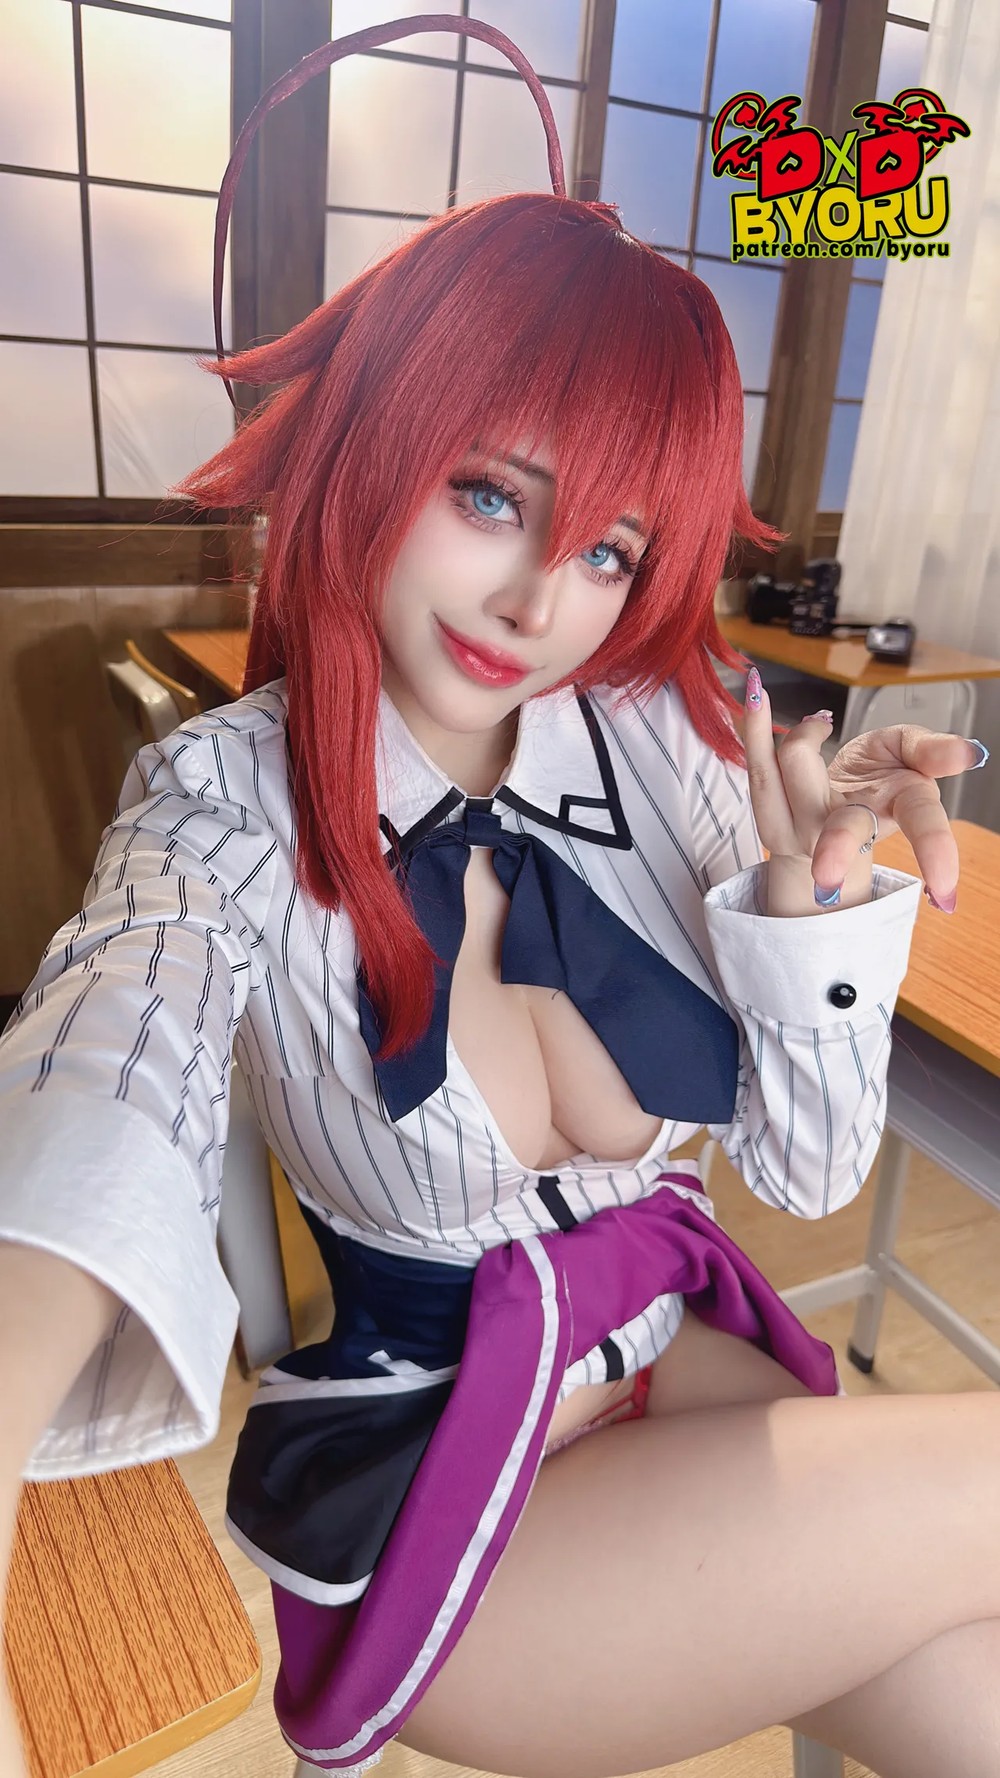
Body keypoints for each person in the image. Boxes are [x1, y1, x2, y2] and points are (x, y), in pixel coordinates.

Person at [1, 17, 997, 1778]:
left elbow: (805, 1175)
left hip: (675, 1370)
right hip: (447, 1501)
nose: (543, 598)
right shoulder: (223, 798)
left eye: (609, 546)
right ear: (378, 445)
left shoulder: (665, 736)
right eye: (490, 493)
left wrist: (807, 891)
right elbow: (105, 1069)